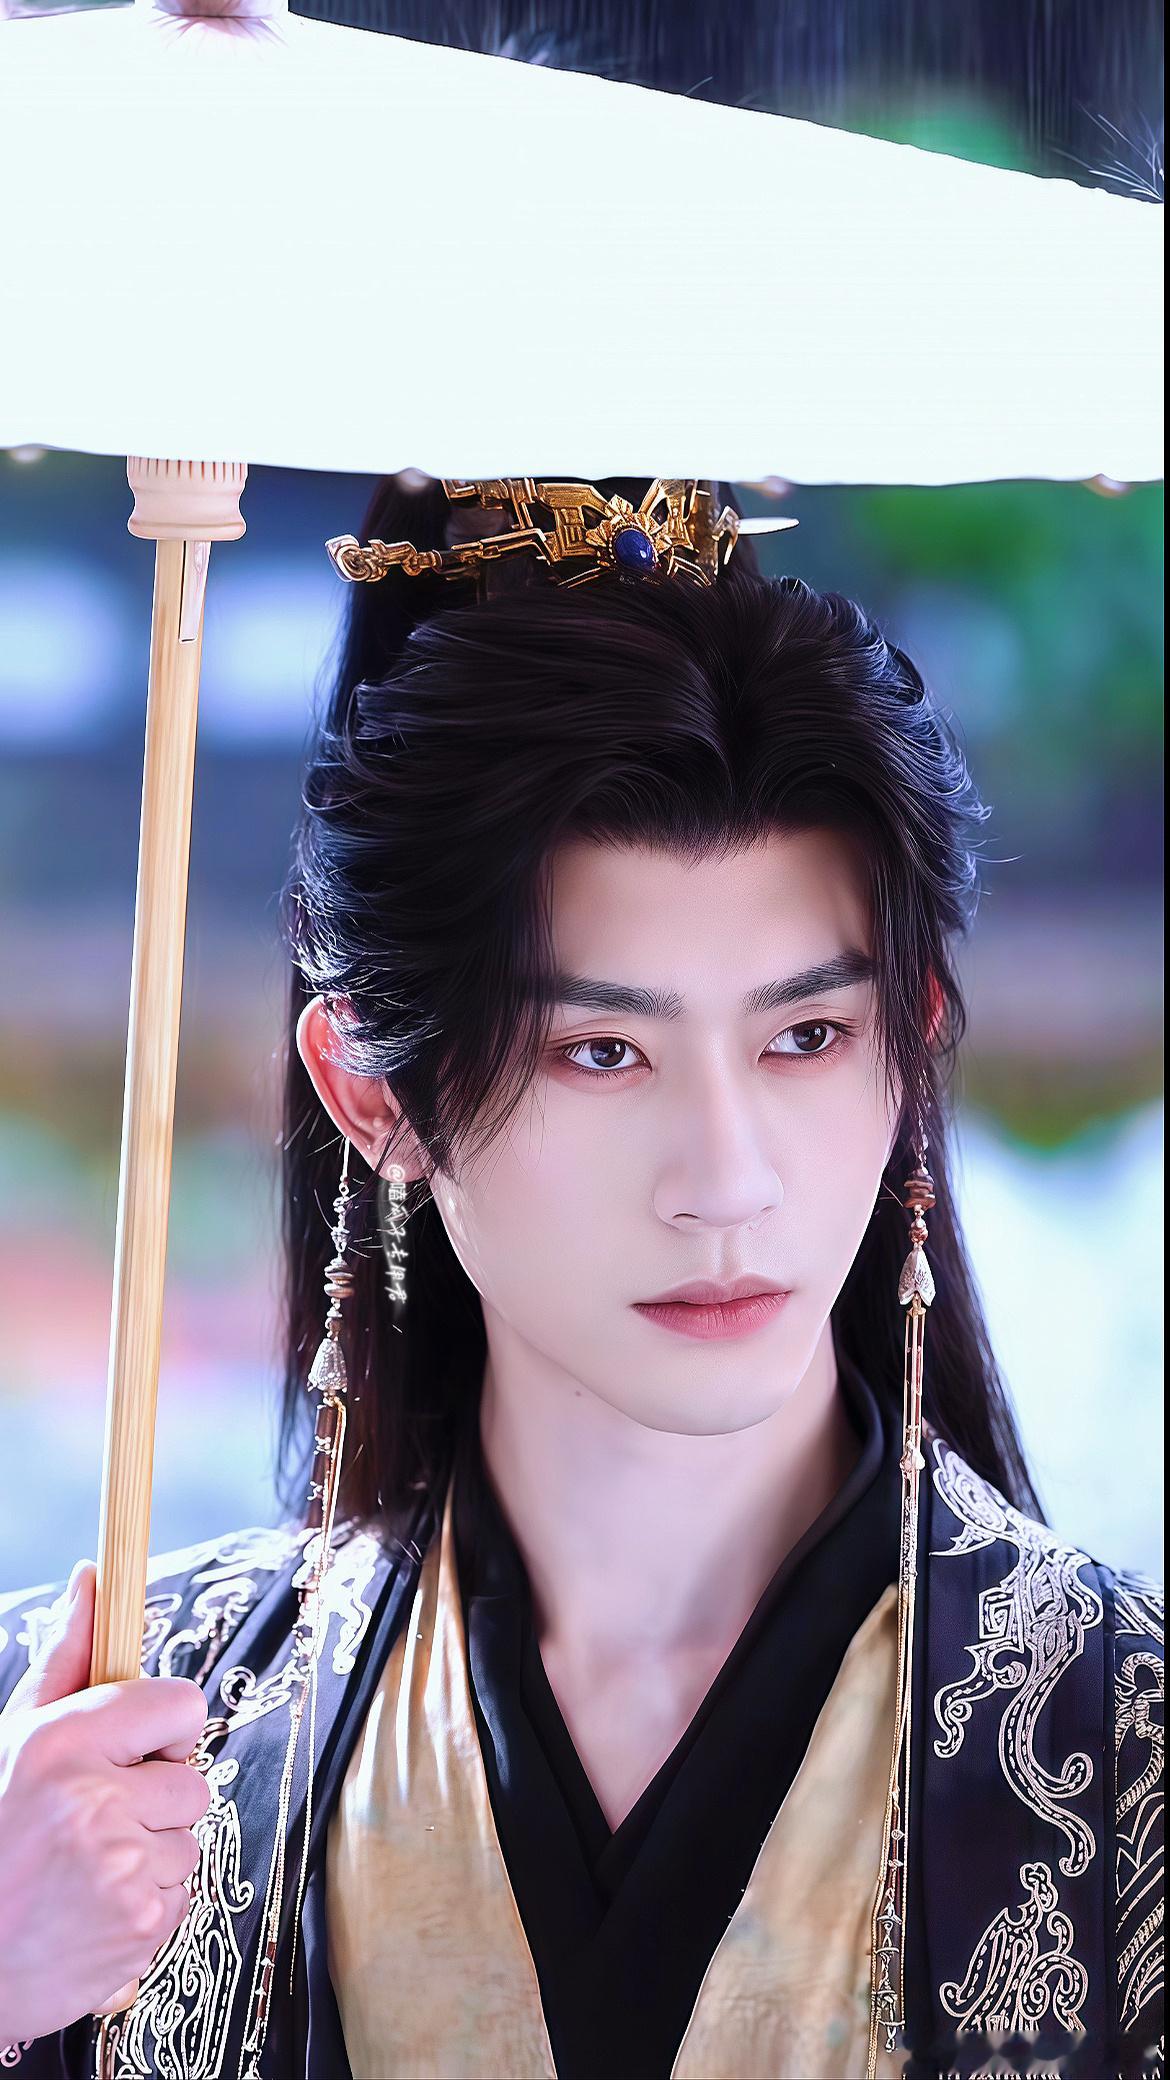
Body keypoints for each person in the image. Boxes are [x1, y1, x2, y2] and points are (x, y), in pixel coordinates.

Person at [0, 478, 1162, 2080]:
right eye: (600, 1051)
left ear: (912, 1041)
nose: (726, 1182)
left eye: (805, 1035)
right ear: (373, 1097)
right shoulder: (92, 1760)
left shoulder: (1125, 1748)